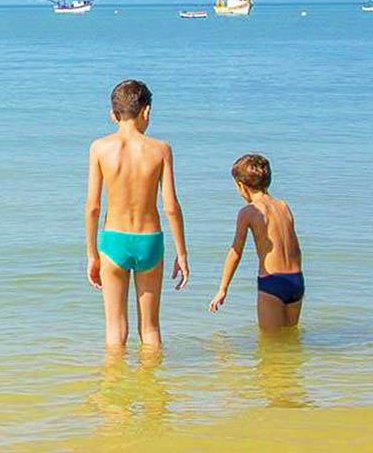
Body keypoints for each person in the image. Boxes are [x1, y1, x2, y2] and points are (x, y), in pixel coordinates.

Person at [85, 80, 190, 348]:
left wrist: (91, 254)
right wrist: (182, 253)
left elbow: (93, 207)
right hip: (149, 240)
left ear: (113, 114)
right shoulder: (161, 149)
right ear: (147, 111)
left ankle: (111, 388)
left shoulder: (99, 148)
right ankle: (153, 388)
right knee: (151, 329)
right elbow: (171, 207)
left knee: (115, 329)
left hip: (113, 241)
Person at [208, 153, 304, 330]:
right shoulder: (284, 206)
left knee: (270, 345)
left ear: (241, 185)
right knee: (290, 339)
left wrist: (222, 289)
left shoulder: (249, 212)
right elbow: (295, 246)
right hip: (296, 280)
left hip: (272, 282)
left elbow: (235, 252)